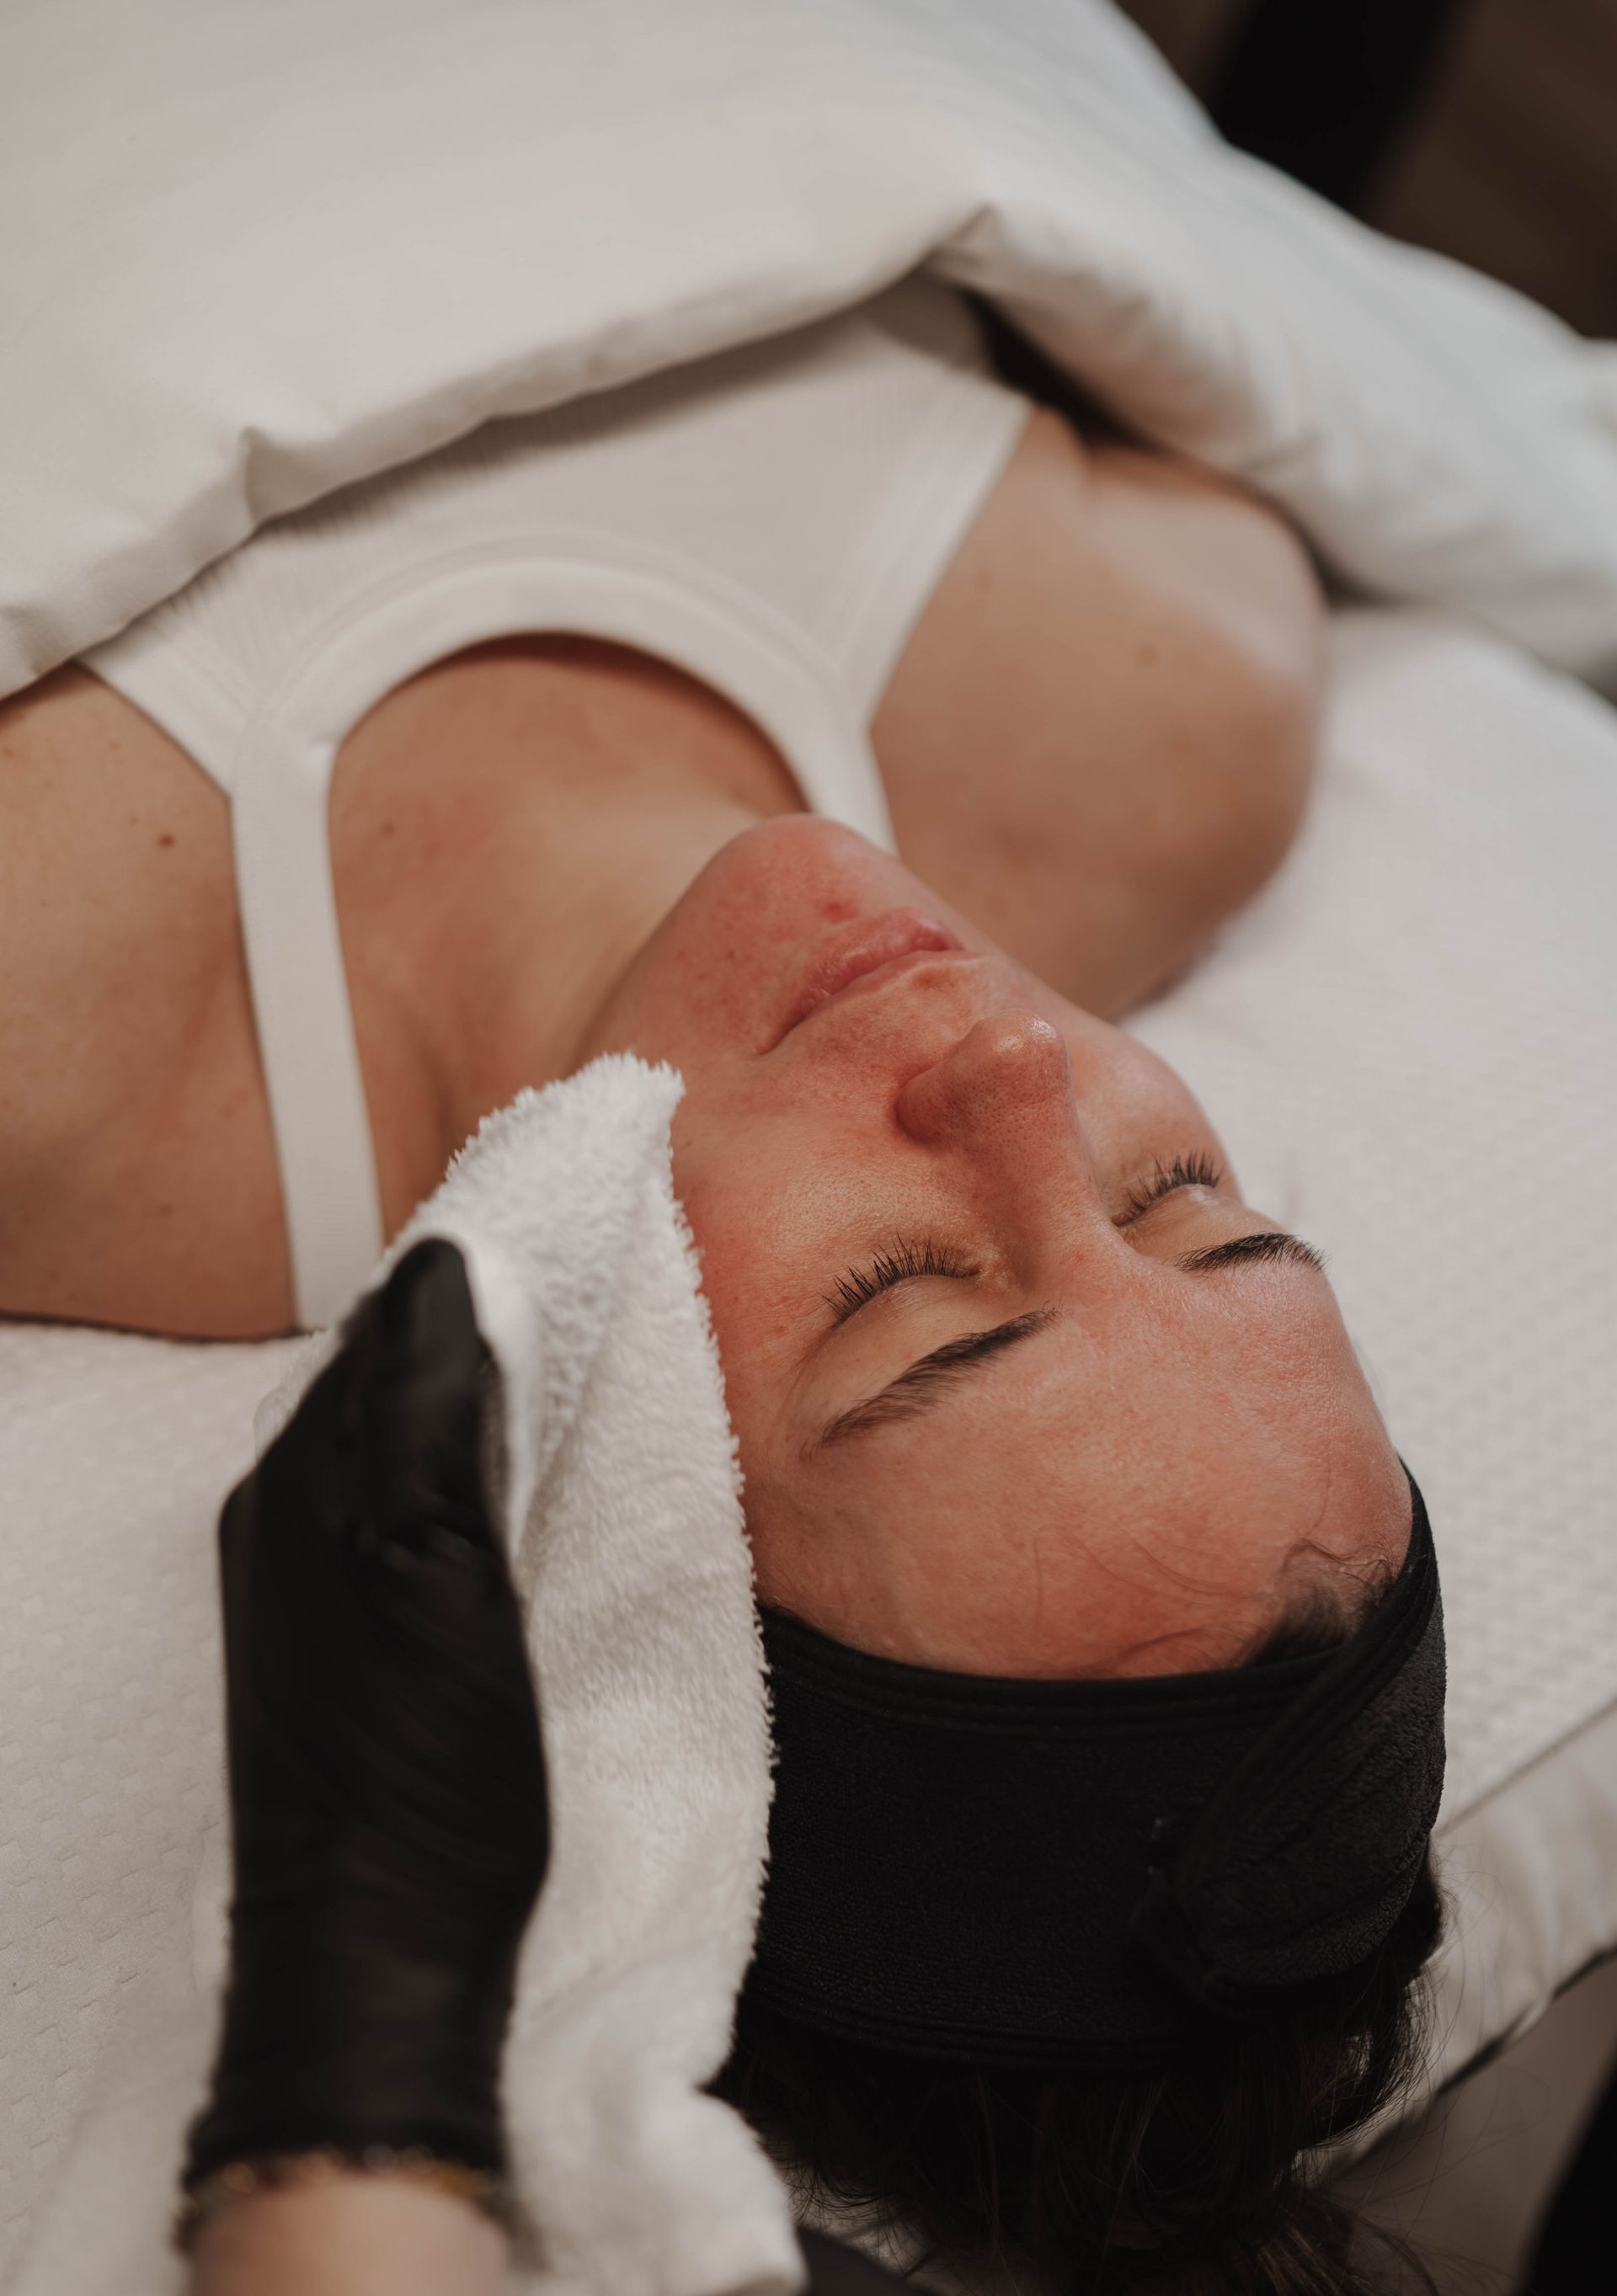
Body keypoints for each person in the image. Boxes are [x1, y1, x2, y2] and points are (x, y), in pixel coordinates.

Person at [3, 276, 1444, 2286]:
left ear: (611, 1523)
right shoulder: (1161, 702)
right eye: (1192, 1195)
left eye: (913, 1301)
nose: (1021, 1066)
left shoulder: (41, 1058)